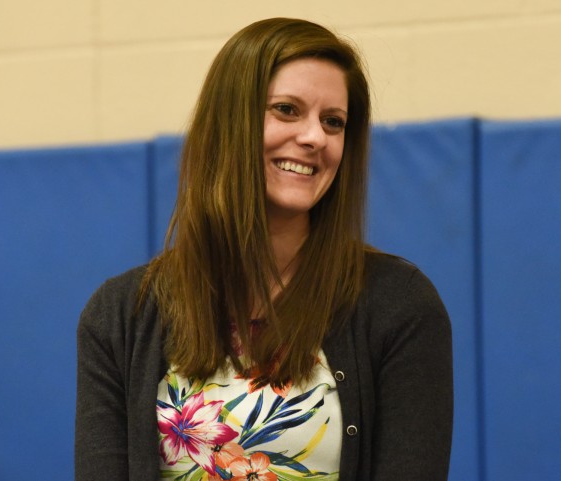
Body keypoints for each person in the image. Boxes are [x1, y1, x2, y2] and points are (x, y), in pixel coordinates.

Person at [75, 17, 453, 481]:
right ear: (228, 123)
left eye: (333, 122)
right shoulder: (121, 316)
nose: (315, 137)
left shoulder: (400, 304)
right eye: (287, 110)